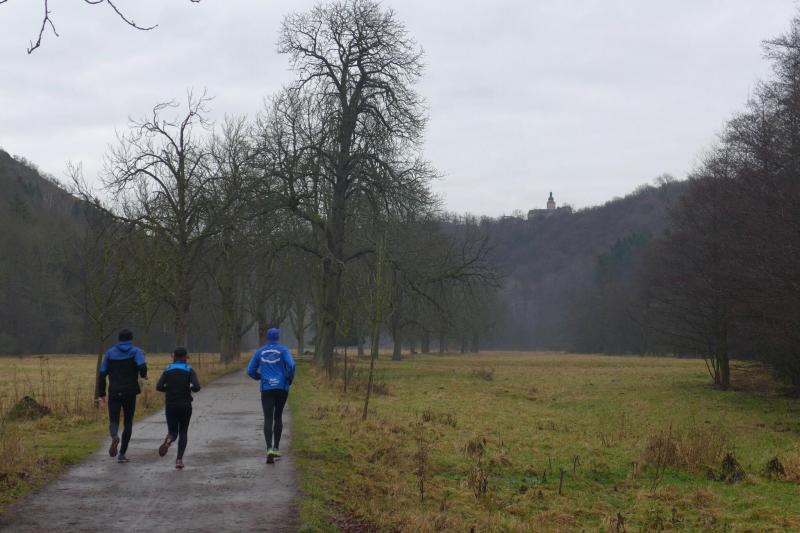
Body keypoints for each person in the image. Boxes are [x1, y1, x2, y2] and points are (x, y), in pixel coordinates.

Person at [97, 329, 147, 463]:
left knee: (113, 419)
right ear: (131, 338)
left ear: (118, 339)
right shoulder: (136, 351)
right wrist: (143, 375)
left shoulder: (109, 353)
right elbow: (142, 366)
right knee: (128, 422)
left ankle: (114, 436)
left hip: (114, 391)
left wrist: (102, 394)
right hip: (130, 391)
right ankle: (122, 454)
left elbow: (102, 374)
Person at [247, 328, 296, 464]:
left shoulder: (259, 352)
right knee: (278, 416)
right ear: (278, 337)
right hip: (281, 388)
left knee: (268, 418)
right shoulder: (283, 350)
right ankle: (276, 448)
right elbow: (292, 365)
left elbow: (250, 370)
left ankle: (269, 449)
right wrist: (289, 378)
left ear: (267, 338)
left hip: (267, 388)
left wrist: (259, 377)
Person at [155, 347, 201, 469]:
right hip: (185, 405)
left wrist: (169, 389)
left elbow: (159, 386)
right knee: (183, 432)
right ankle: (179, 460)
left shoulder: (168, 369)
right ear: (185, 357)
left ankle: (169, 440)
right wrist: (188, 387)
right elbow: (197, 387)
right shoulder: (189, 369)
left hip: (171, 405)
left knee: (173, 432)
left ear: (174, 357)